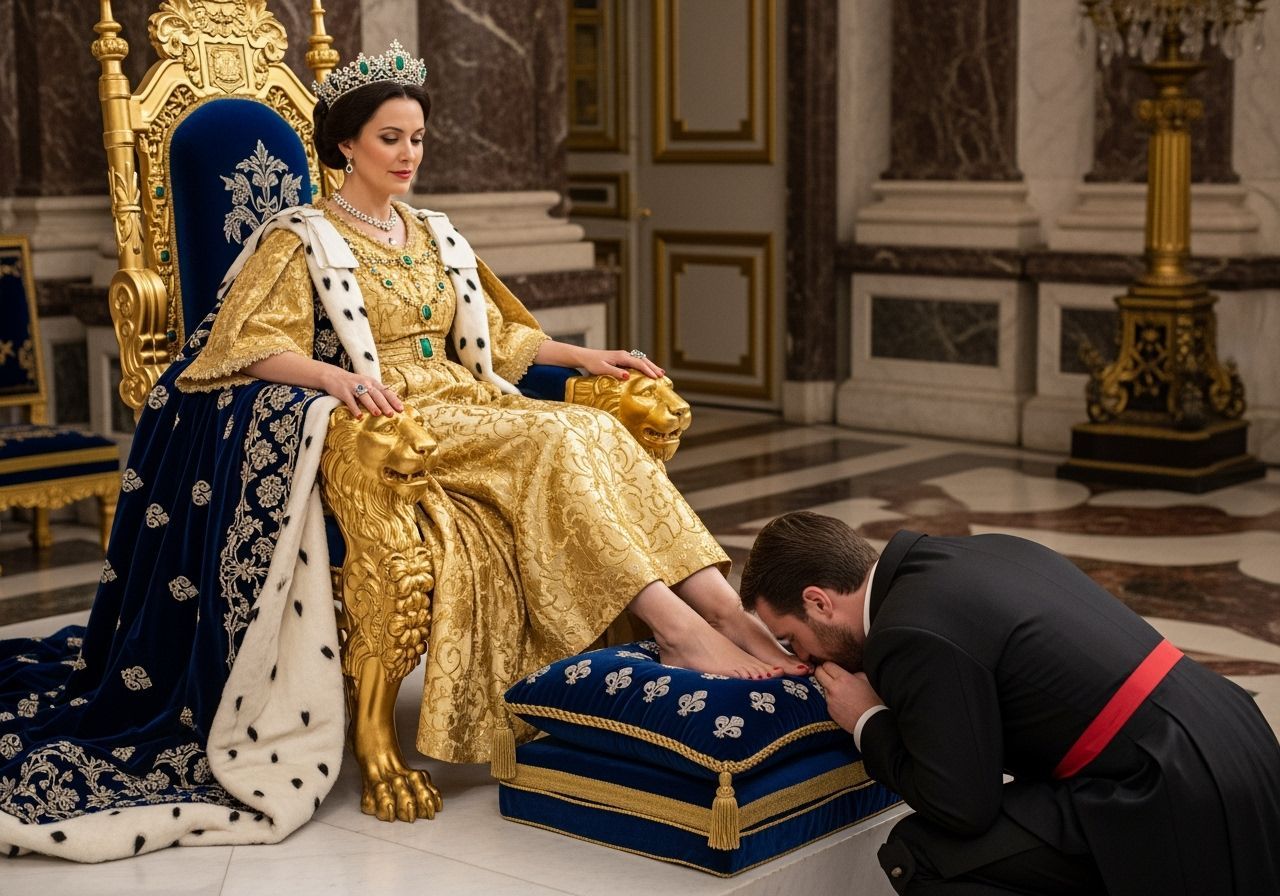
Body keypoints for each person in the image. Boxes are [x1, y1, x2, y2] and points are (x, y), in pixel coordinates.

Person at [0, 44, 799, 862]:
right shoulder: (300, 238)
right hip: (391, 409)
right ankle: (675, 627)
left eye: (417, 138)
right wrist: (334, 382)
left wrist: (585, 359)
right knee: (560, 435)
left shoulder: (435, 233)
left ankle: (724, 612)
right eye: (391, 138)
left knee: (593, 425)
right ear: (347, 144)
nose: (409, 154)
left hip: (467, 396)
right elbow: (243, 349)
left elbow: (498, 337)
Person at [738, 511, 1280, 896]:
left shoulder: (908, 632)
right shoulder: (970, 553)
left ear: (818, 601)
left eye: (791, 640)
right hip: (1235, 737)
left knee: (923, 856)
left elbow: (961, 806)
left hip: (1168, 789)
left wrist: (868, 721)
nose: (802, 660)